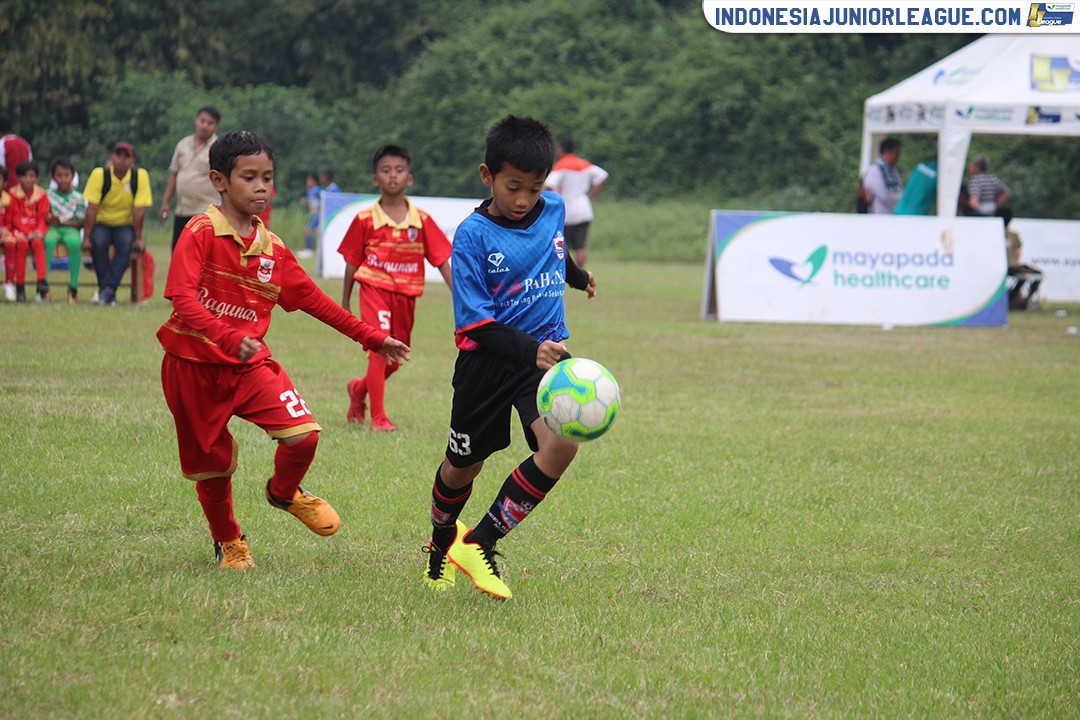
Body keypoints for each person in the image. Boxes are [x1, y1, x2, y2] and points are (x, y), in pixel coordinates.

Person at [157, 131, 411, 571]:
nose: (261, 187)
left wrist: (371, 337)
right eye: (249, 177)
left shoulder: (272, 248)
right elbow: (183, 299)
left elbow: (316, 302)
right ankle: (230, 542)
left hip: (248, 366)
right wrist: (231, 337)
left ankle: (284, 491)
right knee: (214, 468)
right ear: (219, 180)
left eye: (268, 178)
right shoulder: (199, 232)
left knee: (304, 435)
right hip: (191, 367)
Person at [422, 115, 596, 600]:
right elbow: (475, 323)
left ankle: (479, 543)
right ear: (487, 176)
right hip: (488, 365)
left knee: (562, 444)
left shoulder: (554, 207)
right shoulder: (472, 236)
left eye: (535, 188)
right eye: (513, 187)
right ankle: (440, 546)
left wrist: (578, 277)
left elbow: (554, 253)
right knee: (462, 468)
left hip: (545, 357)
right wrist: (529, 349)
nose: (524, 200)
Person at [339, 144, 453, 432]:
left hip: (406, 296)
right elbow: (352, 262)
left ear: (409, 178)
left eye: (399, 170)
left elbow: (441, 260)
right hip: (373, 289)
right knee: (380, 348)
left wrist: (461, 298)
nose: (393, 176)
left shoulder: (422, 220)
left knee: (397, 357)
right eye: (386, 171)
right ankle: (379, 418)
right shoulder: (364, 219)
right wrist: (345, 303)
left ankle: (359, 390)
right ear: (375, 179)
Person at [81, 142, 153, 306]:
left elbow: (139, 210)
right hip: (101, 222)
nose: (121, 160)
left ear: (132, 160)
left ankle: (106, 290)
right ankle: (108, 292)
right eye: (118, 155)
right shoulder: (99, 174)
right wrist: (86, 237)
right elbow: (91, 209)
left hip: (125, 224)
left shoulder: (140, 176)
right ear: (111, 157)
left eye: (126, 156)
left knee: (126, 245)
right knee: (98, 243)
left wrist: (138, 238)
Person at [158, 106, 221, 251]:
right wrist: (166, 202)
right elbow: (173, 173)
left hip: (206, 211)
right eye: (202, 121)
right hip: (183, 209)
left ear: (216, 126)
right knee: (179, 251)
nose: (205, 126)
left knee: (202, 253)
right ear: (196, 121)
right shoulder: (183, 144)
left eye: (210, 123)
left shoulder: (218, 147)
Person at [544, 137, 608, 268]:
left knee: (560, 245)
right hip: (584, 208)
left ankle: (562, 271)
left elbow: (548, 185)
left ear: (561, 149)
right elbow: (602, 176)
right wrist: (591, 196)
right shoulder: (584, 164)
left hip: (566, 211)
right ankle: (580, 273)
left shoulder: (561, 165)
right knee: (580, 246)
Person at [3, 161, 50, 302]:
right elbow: (14, 217)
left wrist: (38, 231)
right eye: (24, 176)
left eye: (31, 176)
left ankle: (42, 281)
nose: (28, 180)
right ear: (18, 178)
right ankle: (20, 286)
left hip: (35, 232)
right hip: (19, 231)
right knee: (22, 244)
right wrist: (25, 231)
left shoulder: (41, 195)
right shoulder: (12, 194)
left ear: (36, 178)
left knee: (38, 243)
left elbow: (43, 217)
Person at [44, 157, 88, 303]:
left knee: (75, 244)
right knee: (47, 242)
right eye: (59, 175)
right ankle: (44, 285)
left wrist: (63, 222)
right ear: (53, 177)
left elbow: (82, 222)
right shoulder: (47, 195)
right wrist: (51, 219)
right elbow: (43, 217)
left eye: (66, 175)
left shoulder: (79, 197)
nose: (63, 179)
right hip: (52, 229)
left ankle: (73, 287)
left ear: (72, 176)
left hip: (70, 230)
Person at [998, 207, 1042, 311]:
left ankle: (1022, 300)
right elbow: (1018, 248)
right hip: (1007, 266)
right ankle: (1013, 300)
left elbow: (1018, 248)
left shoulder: (1013, 235)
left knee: (1035, 275)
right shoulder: (1005, 235)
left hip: (1014, 266)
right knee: (1024, 276)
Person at [862, 137, 903, 215]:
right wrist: (901, 202)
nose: (898, 156)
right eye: (896, 152)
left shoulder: (894, 171)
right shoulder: (874, 170)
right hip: (878, 216)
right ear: (887, 152)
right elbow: (885, 195)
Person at [0, 115, 33, 191]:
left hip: (8, 189)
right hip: (25, 188)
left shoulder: (2, 144)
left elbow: (1, 169)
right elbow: (31, 165)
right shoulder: (25, 144)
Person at [298, 173, 320, 258]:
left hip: (317, 213)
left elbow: (322, 200)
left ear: (314, 181)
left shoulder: (317, 190)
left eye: (309, 180)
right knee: (309, 230)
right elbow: (311, 201)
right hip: (313, 213)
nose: (308, 182)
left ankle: (308, 250)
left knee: (308, 230)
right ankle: (309, 249)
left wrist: (317, 207)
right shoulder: (309, 191)